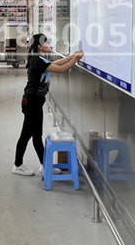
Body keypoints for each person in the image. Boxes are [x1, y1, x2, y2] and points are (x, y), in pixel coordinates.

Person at [12, 33, 83, 176]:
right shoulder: (37, 60)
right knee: (27, 134)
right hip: (32, 102)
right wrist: (75, 59)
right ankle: (18, 165)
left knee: (35, 135)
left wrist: (71, 56)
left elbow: (56, 64)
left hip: (35, 101)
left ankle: (44, 165)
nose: (49, 44)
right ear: (39, 46)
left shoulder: (40, 59)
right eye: (47, 42)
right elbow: (62, 69)